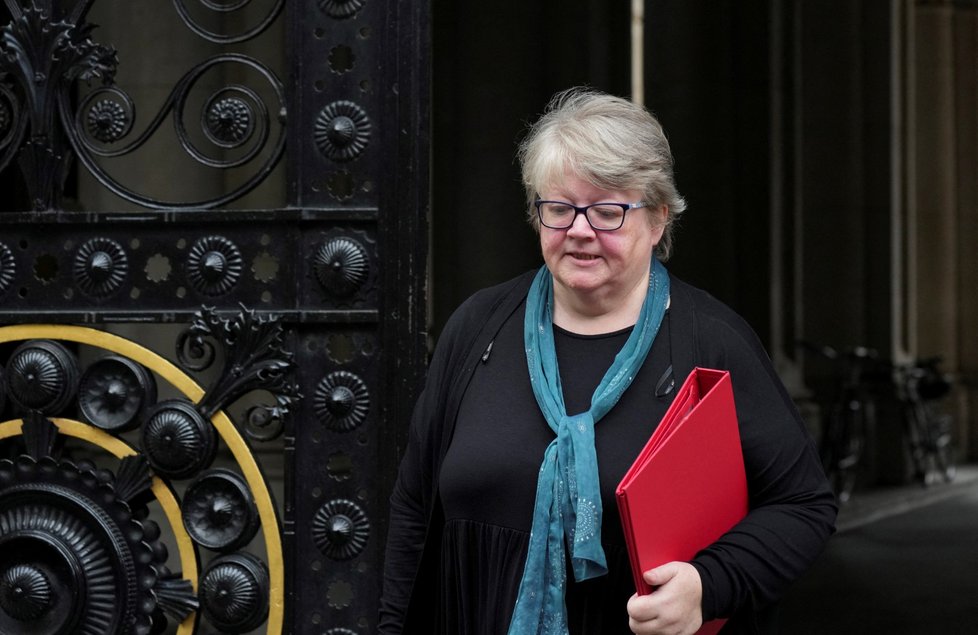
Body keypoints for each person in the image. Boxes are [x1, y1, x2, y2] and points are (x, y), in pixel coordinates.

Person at [380, 87, 837, 635]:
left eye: (607, 211)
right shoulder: (478, 327)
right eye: (559, 208)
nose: (579, 230)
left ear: (658, 219)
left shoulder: (710, 343)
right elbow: (414, 504)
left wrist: (707, 585)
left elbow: (803, 505)